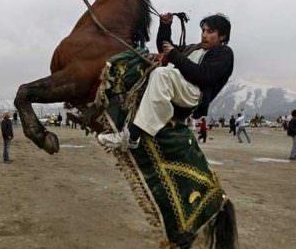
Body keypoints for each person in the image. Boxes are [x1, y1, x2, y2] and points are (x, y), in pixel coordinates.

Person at [97, 13, 234, 150]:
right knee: (150, 71)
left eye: (210, 32)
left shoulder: (224, 53)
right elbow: (165, 48)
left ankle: (133, 134)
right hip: (178, 86)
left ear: (222, 36)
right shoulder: (195, 48)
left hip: (195, 94)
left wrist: (174, 54)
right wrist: (165, 26)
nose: (204, 35)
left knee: (162, 73)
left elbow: (203, 76)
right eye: (203, 31)